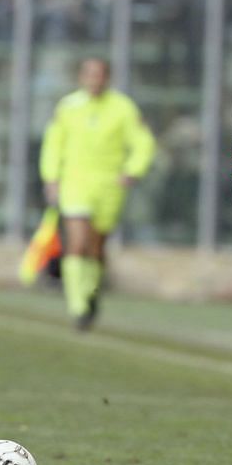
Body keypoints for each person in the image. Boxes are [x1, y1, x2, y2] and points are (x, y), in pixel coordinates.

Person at [40, 57, 156, 330]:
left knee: (96, 247)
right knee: (76, 242)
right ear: (81, 77)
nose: (94, 79)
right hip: (75, 181)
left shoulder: (122, 108)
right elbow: (53, 143)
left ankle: (91, 293)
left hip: (108, 185)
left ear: (107, 77)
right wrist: (51, 177)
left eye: (99, 74)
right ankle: (77, 305)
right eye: (89, 74)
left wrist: (132, 170)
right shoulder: (68, 107)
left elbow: (143, 142)